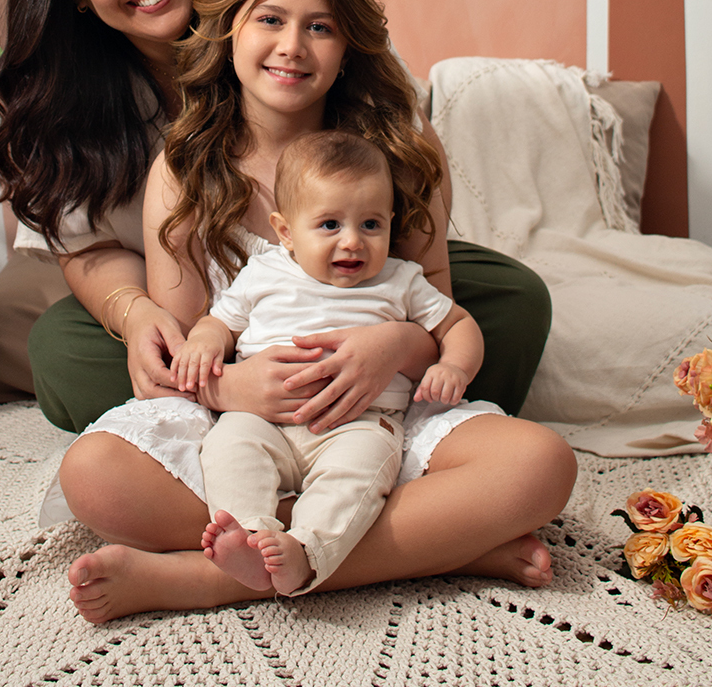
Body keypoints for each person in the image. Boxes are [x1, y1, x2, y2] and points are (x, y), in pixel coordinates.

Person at [56, 0, 577, 623]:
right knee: (92, 476)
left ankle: (206, 579)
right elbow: (185, 349)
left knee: (544, 465)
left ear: (349, 45)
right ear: (229, 30)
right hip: (243, 421)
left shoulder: (400, 149)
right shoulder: (183, 171)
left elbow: (437, 315)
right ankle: (438, 544)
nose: (293, 47)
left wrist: (392, 347)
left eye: (320, 27)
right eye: (270, 20)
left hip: (378, 420)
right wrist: (236, 386)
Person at [0, 0, 552, 429]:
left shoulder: (284, 0)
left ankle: (373, 408)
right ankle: (254, 410)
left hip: (349, 265)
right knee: (64, 352)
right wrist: (142, 317)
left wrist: (399, 340)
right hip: (188, 289)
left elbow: (414, 219)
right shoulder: (79, 108)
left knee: (513, 301)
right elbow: (90, 252)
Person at [180, 130, 484, 597]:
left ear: (391, 224)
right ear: (286, 231)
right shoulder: (264, 272)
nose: (352, 242)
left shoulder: (400, 279)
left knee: (356, 475)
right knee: (228, 448)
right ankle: (250, 535)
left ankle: (306, 551)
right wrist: (204, 341)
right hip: (263, 419)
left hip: (359, 422)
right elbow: (220, 323)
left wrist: (454, 367)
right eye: (329, 225)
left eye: (371, 224)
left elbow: (458, 324)